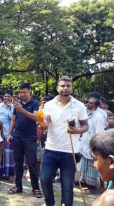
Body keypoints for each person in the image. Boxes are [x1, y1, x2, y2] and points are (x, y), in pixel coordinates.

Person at [40, 76, 89, 206]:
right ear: (57, 88)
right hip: (51, 149)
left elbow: (85, 125)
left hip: (70, 151)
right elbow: (47, 119)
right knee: (44, 179)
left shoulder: (79, 105)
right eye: (62, 86)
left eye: (68, 86)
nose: (65, 88)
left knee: (67, 185)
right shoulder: (49, 104)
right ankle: (49, 203)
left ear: (72, 88)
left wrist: (76, 130)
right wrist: (44, 124)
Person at [7, 83, 42, 198]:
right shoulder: (18, 105)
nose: (22, 94)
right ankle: (18, 186)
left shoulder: (35, 104)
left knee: (31, 163)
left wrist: (22, 110)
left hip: (30, 138)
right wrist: (9, 134)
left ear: (30, 92)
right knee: (17, 163)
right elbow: (13, 120)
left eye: (24, 92)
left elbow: (36, 118)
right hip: (17, 137)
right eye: (20, 92)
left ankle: (35, 188)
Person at [79, 97, 105, 193]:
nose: (88, 104)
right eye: (88, 102)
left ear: (97, 106)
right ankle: (86, 185)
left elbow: (99, 134)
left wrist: (95, 148)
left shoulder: (99, 117)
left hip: (92, 146)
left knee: (92, 168)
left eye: (91, 103)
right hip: (84, 145)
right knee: (85, 166)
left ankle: (92, 188)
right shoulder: (86, 114)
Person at [0, 90, 14, 181]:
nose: (6, 98)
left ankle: (10, 174)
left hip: (8, 134)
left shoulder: (13, 107)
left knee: (9, 155)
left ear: (11, 98)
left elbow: (13, 119)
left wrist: (10, 108)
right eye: (5, 96)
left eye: (8, 96)